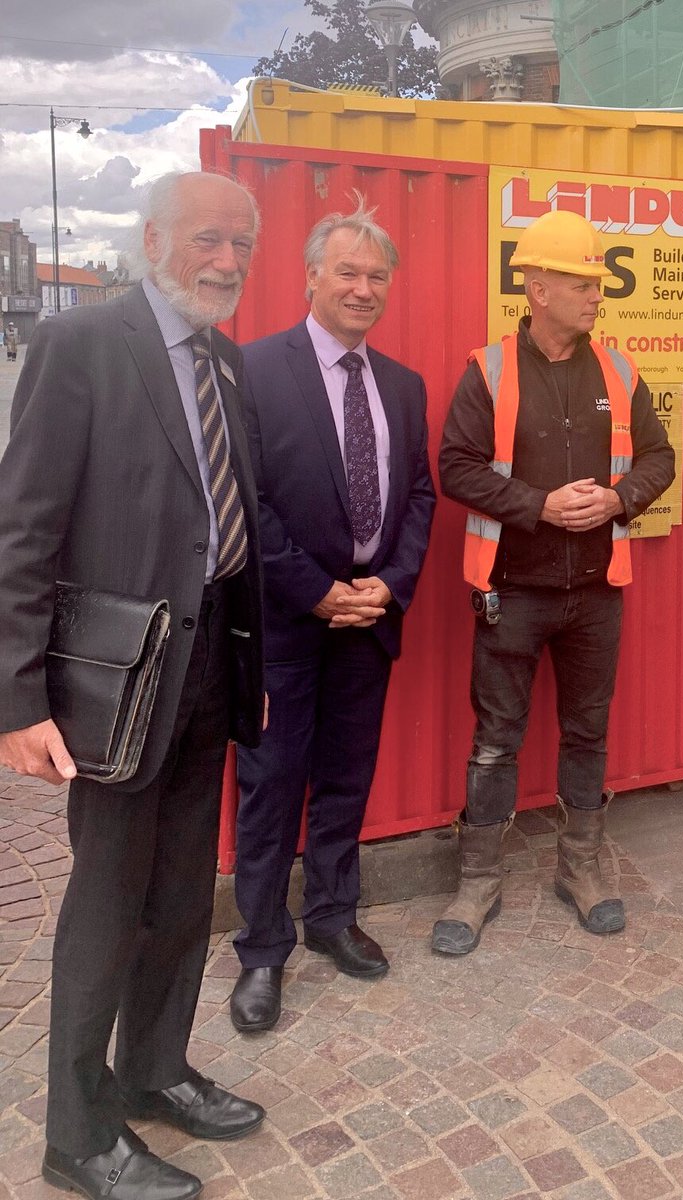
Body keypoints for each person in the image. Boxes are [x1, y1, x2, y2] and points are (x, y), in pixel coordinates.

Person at [0, 171, 267, 1200]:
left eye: (242, 245)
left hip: (208, 673)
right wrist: (17, 703)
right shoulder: (82, 348)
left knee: (181, 894)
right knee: (108, 904)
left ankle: (156, 1071)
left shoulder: (227, 361)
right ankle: (76, 1132)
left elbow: (230, 535)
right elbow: (23, 533)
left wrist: (250, 667)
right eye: (209, 240)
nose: (228, 262)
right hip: (119, 680)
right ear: (155, 238)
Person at [435, 209, 674, 956]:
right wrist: (537, 506)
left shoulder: (618, 371)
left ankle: (583, 870)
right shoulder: (490, 370)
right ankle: (478, 881)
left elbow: (660, 459)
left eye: (597, 282)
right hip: (513, 591)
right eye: (582, 281)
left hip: (597, 591)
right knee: (496, 741)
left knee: (587, 732)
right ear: (537, 287)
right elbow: (455, 467)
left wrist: (620, 497)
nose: (596, 294)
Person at [229, 200, 435, 1033]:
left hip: (370, 613)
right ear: (310, 276)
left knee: (348, 773)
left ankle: (331, 917)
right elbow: (244, 501)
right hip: (285, 619)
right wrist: (313, 588)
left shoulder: (402, 385)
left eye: (375, 276)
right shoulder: (252, 370)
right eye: (345, 272)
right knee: (272, 784)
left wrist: (389, 581)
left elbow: (418, 494)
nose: (361, 288)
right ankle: (260, 952)